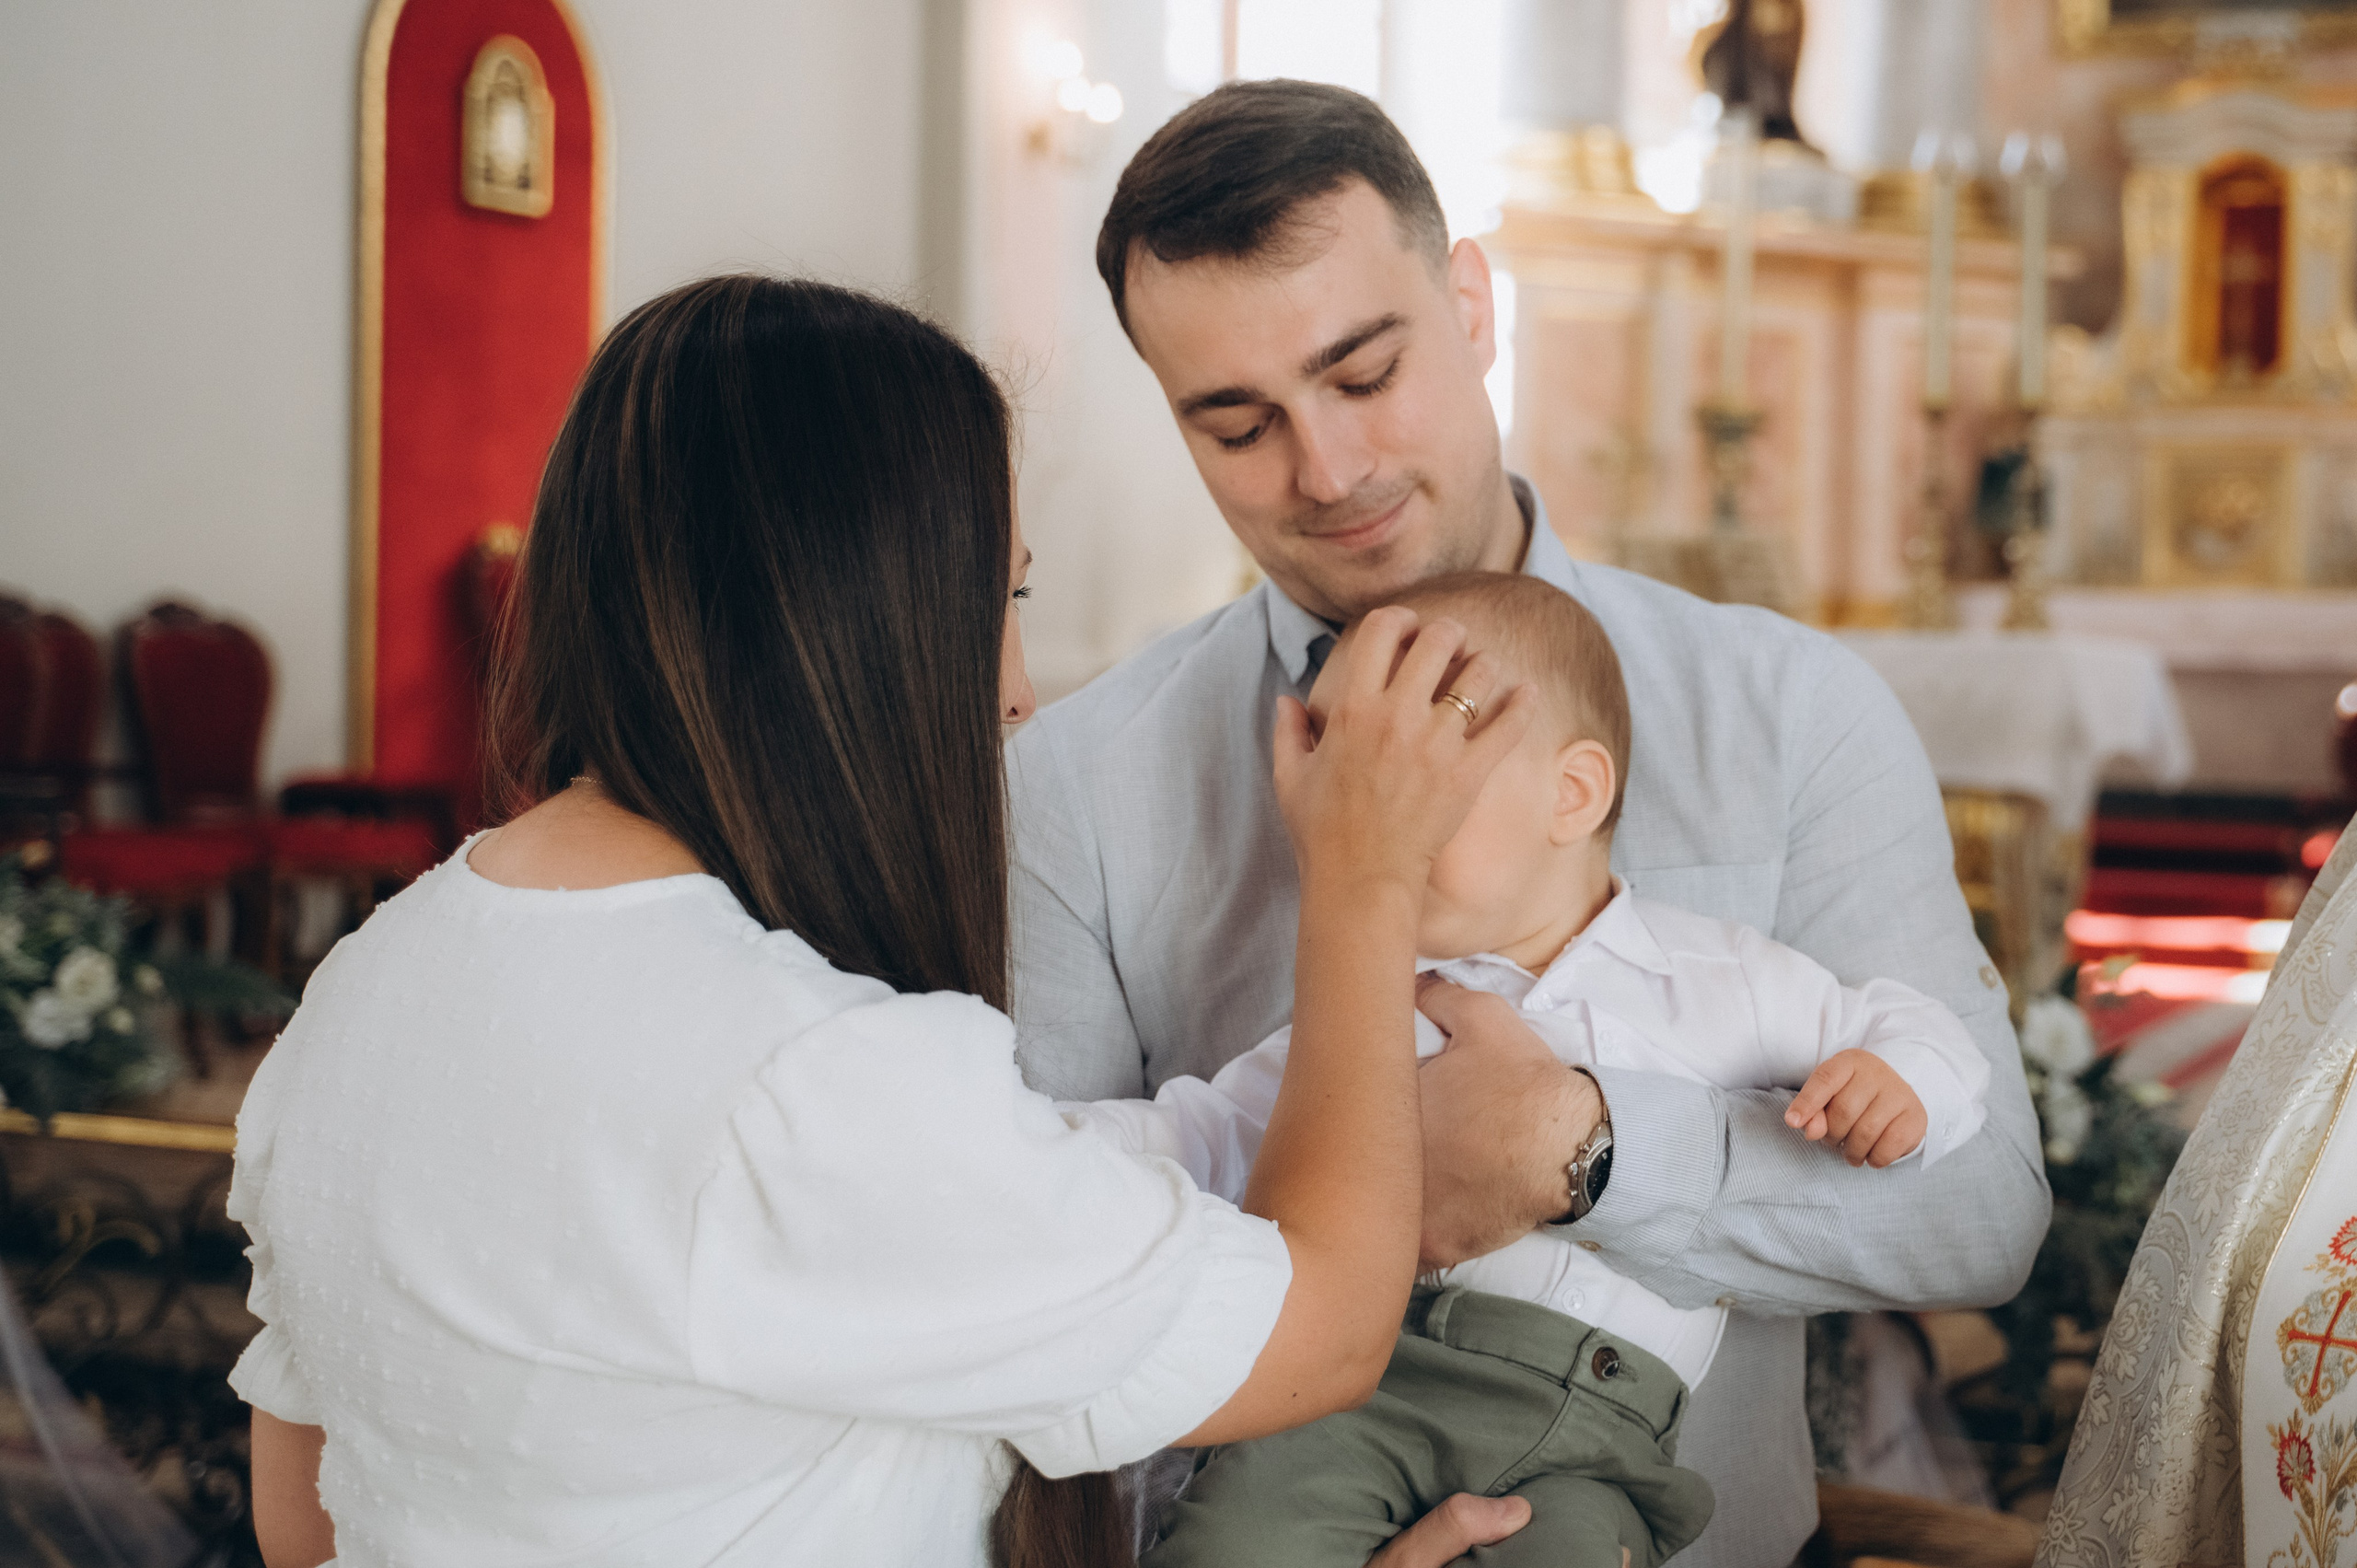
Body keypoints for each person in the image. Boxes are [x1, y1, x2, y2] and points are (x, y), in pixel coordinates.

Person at [229, 273, 1549, 1568]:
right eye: (1003, 603)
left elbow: (307, 1520)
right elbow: (1320, 1329)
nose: (1022, 691)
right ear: (861, 615)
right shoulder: (806, 1079)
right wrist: (1367, 877)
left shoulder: (363, 984)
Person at [1007, 80, 2052, 1566]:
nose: (1329, 469)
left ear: (1474, 304)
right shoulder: (1079, 786)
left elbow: (1983, 1210)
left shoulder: (1786, 708)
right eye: (1238, 424)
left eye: (1364, 373)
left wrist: (1601, 1149)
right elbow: (1050, 1260)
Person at [1072, 574, 1992, 1568]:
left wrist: (1896, 1085)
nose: (1363, 811)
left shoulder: (1721, 978)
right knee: (1235, 1537)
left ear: (1573, 792)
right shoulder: (1367, 1006)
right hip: (1368, 1390)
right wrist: (1039, 1141)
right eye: (1338, 774)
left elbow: (1927, 1035)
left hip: (1599, 1434)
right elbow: (1207, 1130)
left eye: (1416, 773)